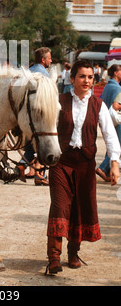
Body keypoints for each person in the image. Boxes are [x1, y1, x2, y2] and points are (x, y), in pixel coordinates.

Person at [46, 59, 120, 275]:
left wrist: (115, 163)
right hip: (61, 163)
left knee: (80, 209)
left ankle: (73, 252)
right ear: (72, 79)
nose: (87, 80)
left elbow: (110, 135)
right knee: (59, 206)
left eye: (90, 77)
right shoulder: (59, 101)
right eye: (82, 76)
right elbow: (46, 128)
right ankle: (53, 257)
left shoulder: (98, 106)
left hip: (85, 166)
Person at [18, 47, 52, 185]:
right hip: (40, 114)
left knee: (34, 142)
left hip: (26, 113)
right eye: (49, 58)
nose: (51, 60)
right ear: (43, 60)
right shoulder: (43, 74)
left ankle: (22, 163)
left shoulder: (29, 71)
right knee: (45, 141)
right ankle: (39, 174)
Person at [96, 64, 121, 182]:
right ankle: (103, 168)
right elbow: (116, 105)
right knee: (118, 144)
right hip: (117, 121)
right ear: (116, 73)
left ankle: (106, 169)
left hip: (108, 120)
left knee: (112, 145)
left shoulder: (107, 86)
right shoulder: (117, 88)